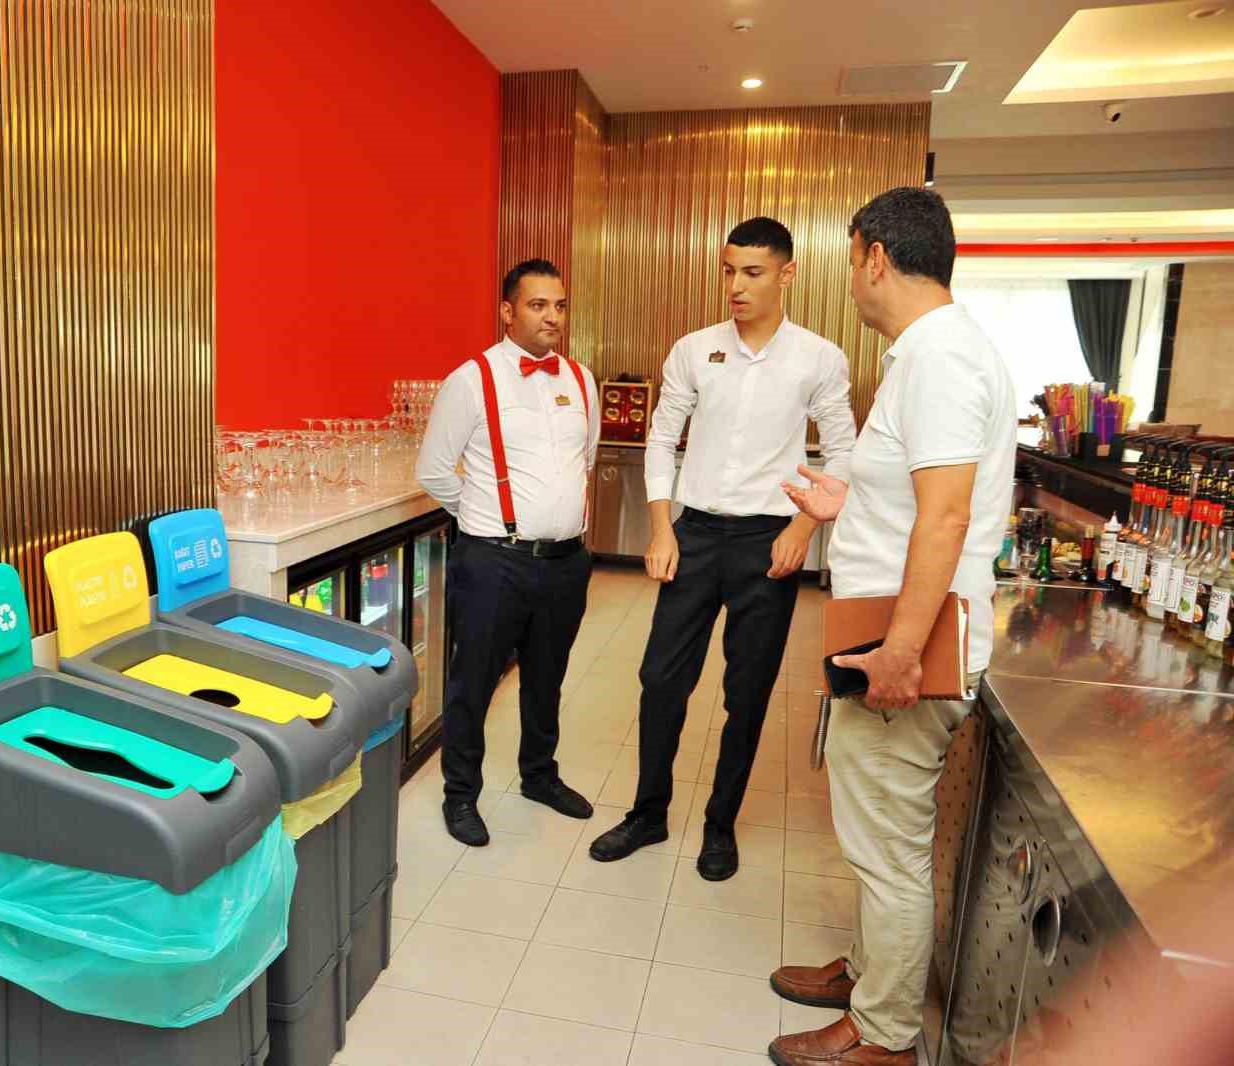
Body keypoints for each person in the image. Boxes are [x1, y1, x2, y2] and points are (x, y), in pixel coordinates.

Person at [769, 186, 1017, 1066]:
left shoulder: (940, 358)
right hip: (881, 627)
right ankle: (868, 972)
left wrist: (901, 652)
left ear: (876, 257)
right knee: (875, 833)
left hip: (904, 642)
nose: (851, 281)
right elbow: (917, 502)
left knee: (890, 850)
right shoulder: (933, 352)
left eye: (850, 263)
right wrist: (848, 502)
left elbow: (946, 517)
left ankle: (881, 1034)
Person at [587, 217, 856, 882]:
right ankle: (648, 813)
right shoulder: (693, 349)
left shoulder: (819, 358)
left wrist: (802, 531)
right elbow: (662, 437)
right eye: (729, 271)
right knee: (661, 679)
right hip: (697, 534)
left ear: (787, 274)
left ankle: (720, 824)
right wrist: (660, 528)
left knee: (748, 691)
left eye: (752, 272)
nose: (736, 285)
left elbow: (844, 451)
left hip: (771, 541)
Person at [416, 258, 599, 846]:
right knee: (473, 682)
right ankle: (460, 794)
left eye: (560, 306)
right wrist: (484, 518)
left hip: (566, 562)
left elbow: (585, 461)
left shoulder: (581, 380)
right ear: (507, 311)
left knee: (547, 678)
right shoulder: (472, 380)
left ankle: (539, 776)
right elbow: (434, 470)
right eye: (538, 305)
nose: (552, 317)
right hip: (494, 561)